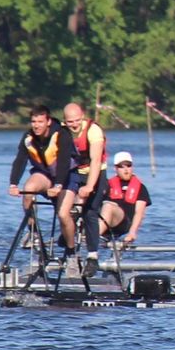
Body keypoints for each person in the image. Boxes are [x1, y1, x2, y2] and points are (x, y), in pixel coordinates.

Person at [7, 107, 81, 241]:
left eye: (40, 122)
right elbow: (20, 160)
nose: (36, 125)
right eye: (33, 121)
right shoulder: (28, 137)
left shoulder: (62, 134)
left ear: (48, 122)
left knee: (63, 215)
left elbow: (64, 161)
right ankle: (33, 231)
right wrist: (13, 184)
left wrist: (58, 185)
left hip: (66, 177)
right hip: (45, 175)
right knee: (28, 189)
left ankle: (70, 251)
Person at [58, 103, 109, 251]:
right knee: (65, 208)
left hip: (95, 172)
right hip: (74, 172)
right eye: (70, 122)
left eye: (77, 120)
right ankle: (68, 234)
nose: (74, 125)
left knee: (90, 213)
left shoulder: (94, 131)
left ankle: (92, 256)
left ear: (82, 117)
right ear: (64, 121)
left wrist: (89, 186)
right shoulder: (61, 131)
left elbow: (96, 161)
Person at [92, 152, 150, 246]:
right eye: (121, 167)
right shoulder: (107, 185)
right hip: (106, 221)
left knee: (109, 206)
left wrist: (132, 232)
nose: (126, 170)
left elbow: (139, 212)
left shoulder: (140, 188)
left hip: (124, 224)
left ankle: (93, 236)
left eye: (128, 166)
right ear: (116, 169)